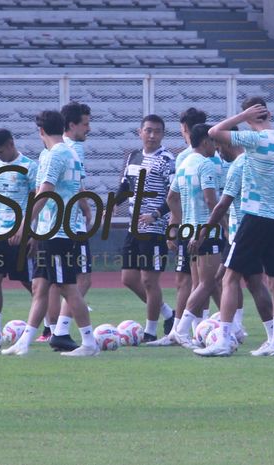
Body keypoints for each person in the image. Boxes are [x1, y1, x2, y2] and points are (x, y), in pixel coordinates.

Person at [196, 97, 274, 357]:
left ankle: (224, 340)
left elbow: (214, 132)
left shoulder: (255, 141)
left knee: (229, 278)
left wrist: (242, 117)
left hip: (253, 218)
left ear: (251, 116)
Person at [2, 110, 98, 357]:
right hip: (49, 231)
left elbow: (46, 192)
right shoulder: (56, 153)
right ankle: (24, 342)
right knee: (40, 287)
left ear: (41, 131)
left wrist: (24, 226)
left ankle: (89, 343)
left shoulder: (58, 154)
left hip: (59, 232)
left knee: (68, 287)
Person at [148, 124, 222, 347]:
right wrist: (222, 225)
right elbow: (211, 201)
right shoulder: (205, 164)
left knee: (199, 282)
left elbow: (171, 198)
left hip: (188, 230)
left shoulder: (184, 163)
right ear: (206, 142)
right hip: (206, 230)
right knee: (208, 284)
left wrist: (180, 221)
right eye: (214, 142)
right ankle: (180, 331)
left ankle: (197, 332)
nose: (216, 147)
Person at [114, 114, 175, 342]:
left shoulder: (167, 159)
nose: (152, 135)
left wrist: (156, 214)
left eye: (157, 131)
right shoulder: (134, 156)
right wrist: (112, 205)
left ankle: (150, 332)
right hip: (134, 227)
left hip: (155, 229)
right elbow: (126, 185)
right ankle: (169, 314)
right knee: (128, 279)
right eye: (148, 130)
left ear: (162, 134)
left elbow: (174, 194)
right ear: (140, 132)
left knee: (150, 280)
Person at [0, 128, 37, 331]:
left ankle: (48, 327)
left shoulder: (29, 167)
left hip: (19, 234)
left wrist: (30, 232)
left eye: (1, 151)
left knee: (32, 283)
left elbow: (37, 201)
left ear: (11, 143)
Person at [46, 101, 93, 352]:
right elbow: (78, 187)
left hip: (59, 226)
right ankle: (63, 331)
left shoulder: (57, 151)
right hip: (68, 226)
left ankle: (55, 330)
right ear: (71, 125)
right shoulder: (71, 150)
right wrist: (86, 211)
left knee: (59, 282)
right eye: (85, 124)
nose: (89, 129)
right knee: (78, 281)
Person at [170, 107, 207, 336]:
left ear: (184, 129)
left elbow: (176, 196)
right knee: (208, 281)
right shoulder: (214, 153)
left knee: (194, 281)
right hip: (210, 225)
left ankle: (183, 331)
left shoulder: (185, 157)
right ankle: (203, 329)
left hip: (194, 226)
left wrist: (174, 227)